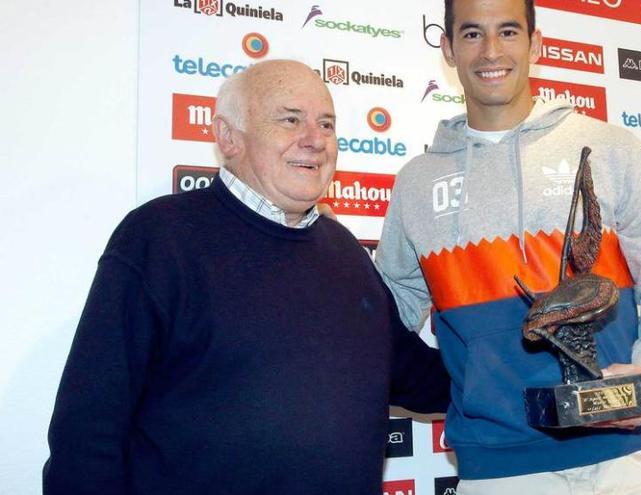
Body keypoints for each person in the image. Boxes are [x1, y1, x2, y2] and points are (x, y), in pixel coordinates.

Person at [43, 60, 449, 495]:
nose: (315, 140)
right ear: (227, 136)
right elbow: (87, 430)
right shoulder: (160, 239)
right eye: (290, 119)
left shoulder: (346, 252)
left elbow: (415, 376)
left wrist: (516, 358)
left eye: (326, 124)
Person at [375, 0, 641, 493]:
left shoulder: (610, 149)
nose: (490, 51)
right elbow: (388, 311)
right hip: (500, 466)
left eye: (507, 32)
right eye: (471, 34)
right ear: (447, 48)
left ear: (536, 44)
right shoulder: (418, 183)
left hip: (623, 455)